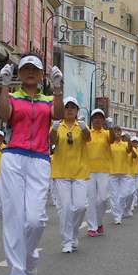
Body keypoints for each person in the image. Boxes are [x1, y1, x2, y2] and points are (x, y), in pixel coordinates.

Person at [0, 54, 64, 275]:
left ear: (41, 75)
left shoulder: (47, 101)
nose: (30, 73)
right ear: (19, 74)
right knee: (14, 217)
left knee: (35, 220)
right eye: (25, 69)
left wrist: (57, 88)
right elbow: (4, 115)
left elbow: (57, 115)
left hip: (39, 160)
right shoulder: (14, 97)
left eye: (34, 69)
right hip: (13, 157)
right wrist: (4, 86)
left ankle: (29, 257)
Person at [50, 96, 90, 253]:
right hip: (61, 172)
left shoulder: (81, 126)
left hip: (79, 172)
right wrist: (53, 129)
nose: (69, 110)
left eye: (73, 107)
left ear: (77, 111)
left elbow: (88, 138)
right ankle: (67, 240)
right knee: (66, 208)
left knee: (80, 207)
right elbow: (51, 141)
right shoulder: (57, 126)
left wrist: (84, 127)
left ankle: (73, 233)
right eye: (67, 107)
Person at [85, 109, 115, 237]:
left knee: (103, 199)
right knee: (90, 199)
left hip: (103, 170)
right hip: (89, 170)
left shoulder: (107, 133)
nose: (97, 119)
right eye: (95, 117)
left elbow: (113, 140)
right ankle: (92, 226)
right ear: (91, 120)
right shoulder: (87, 133)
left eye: (100, 117)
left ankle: (99, 222)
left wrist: (111, 127)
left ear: (103, 120)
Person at [108, 128, 136, 226]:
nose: (117, 133)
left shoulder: (124, 144)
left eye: (119, 131)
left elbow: (130, 151)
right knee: (114, 196)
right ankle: (117, 217)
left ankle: (121, 210)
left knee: (125, 194)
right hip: (112, 173)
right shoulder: (109, 144)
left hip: (124, 173)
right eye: (115, 131)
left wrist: (128, 140)